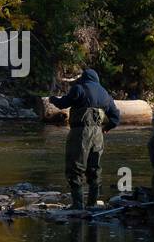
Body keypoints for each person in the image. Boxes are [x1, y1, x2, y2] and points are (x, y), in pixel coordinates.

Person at [49, 68, 121, 210]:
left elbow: (63, 103)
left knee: (75, 167)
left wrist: (52, 99)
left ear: (84, 78)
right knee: (94, 169)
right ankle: (93, 203)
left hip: (80, 133)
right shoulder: (105, 94)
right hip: (98, 135)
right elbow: (116, 117)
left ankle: (77, 204)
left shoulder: (79, 88)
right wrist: (106, 128)